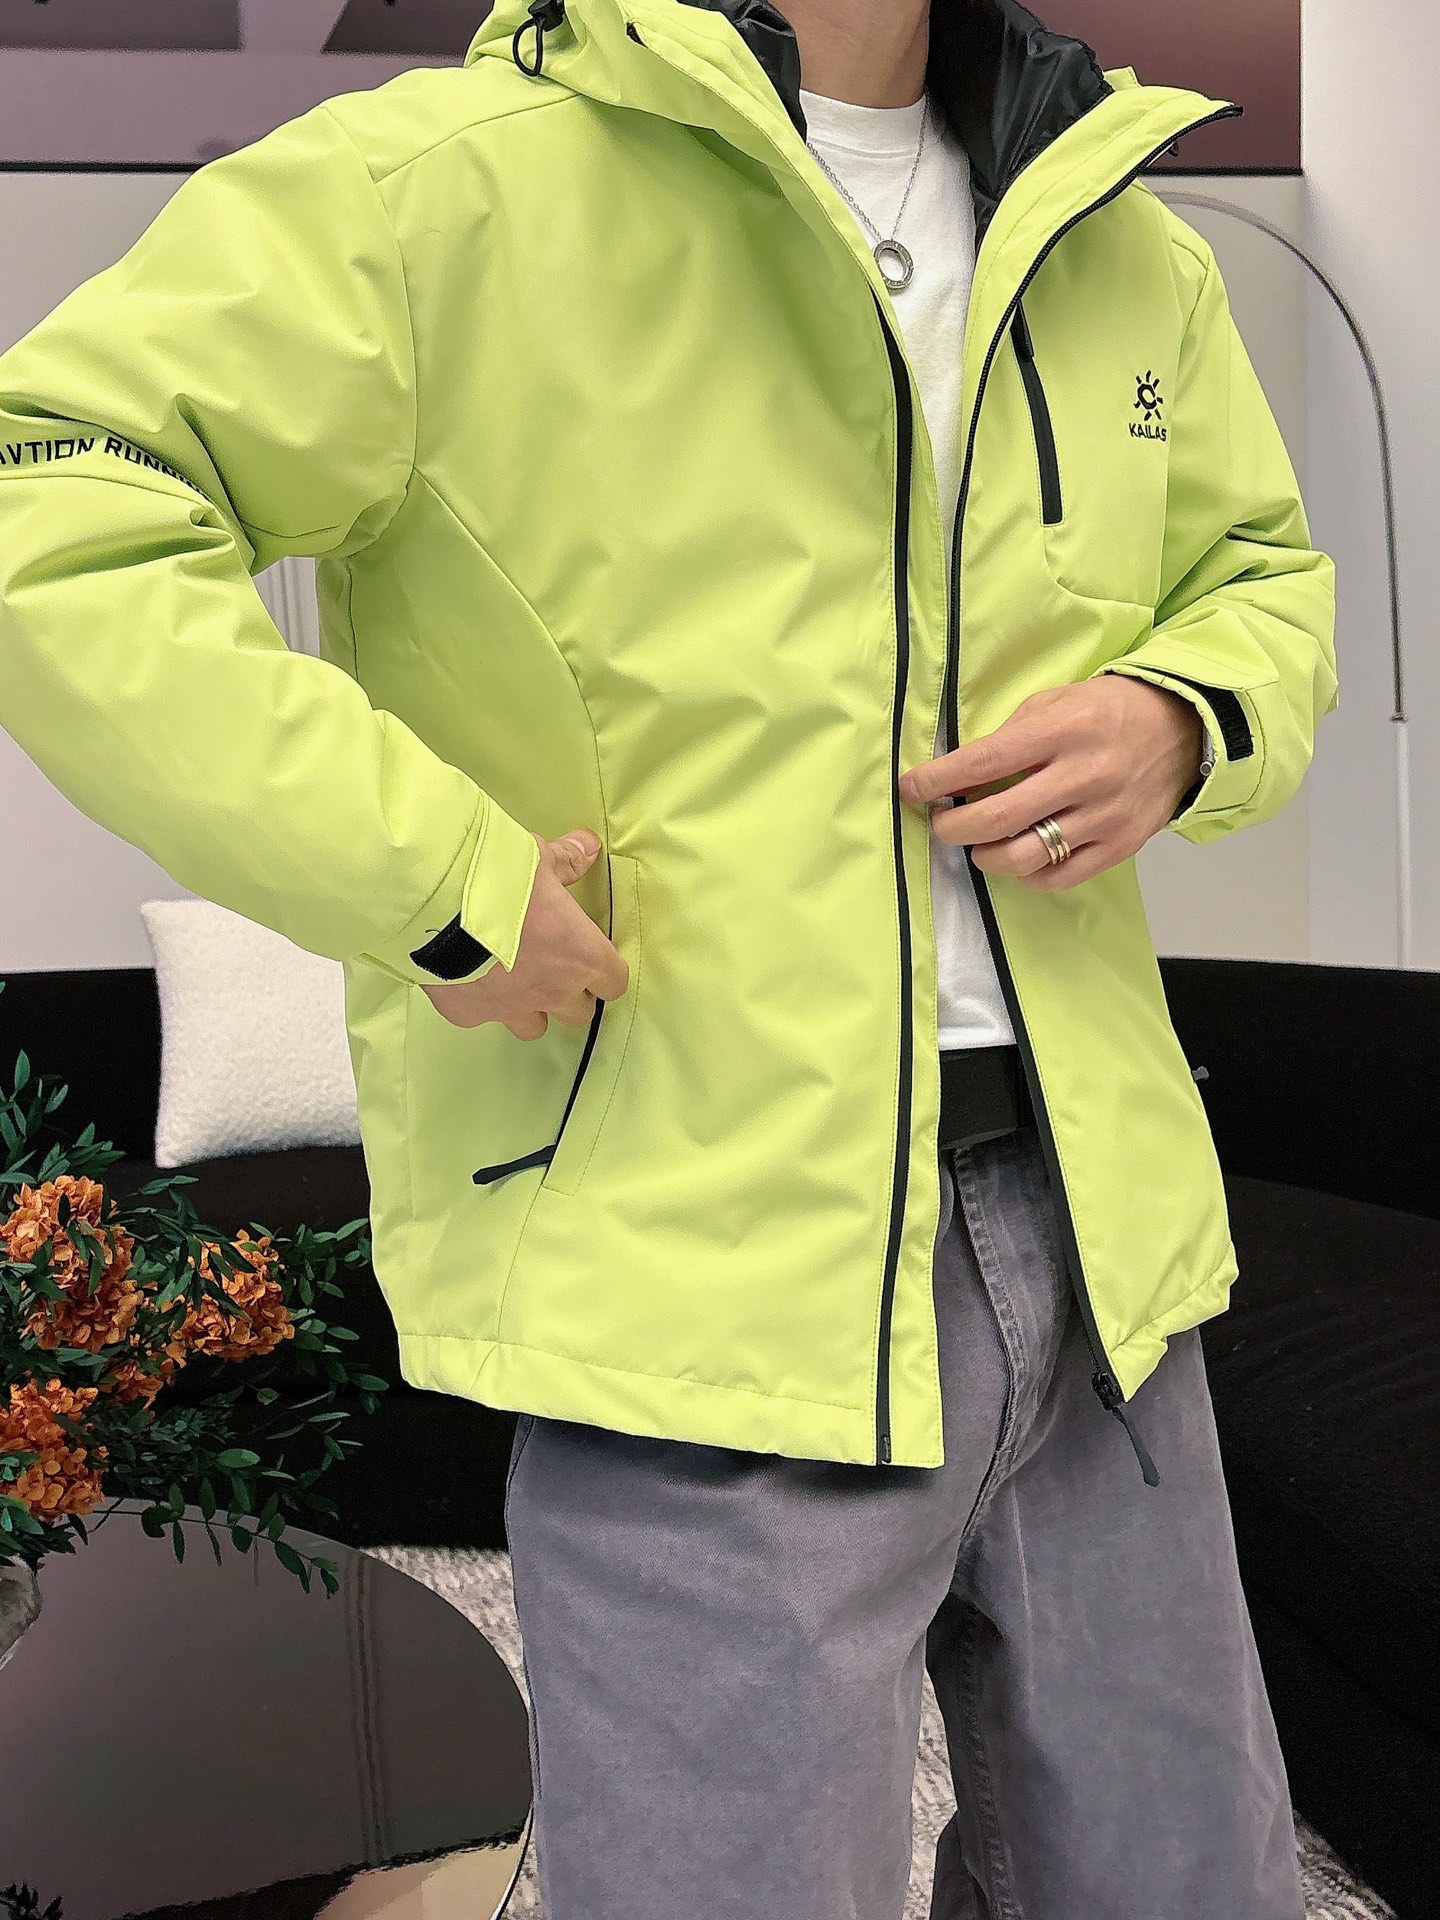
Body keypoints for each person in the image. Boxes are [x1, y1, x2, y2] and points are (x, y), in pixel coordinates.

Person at [0, 0, 1336, 1913]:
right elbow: (50, 493)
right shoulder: (435, 190)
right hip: (698, 1261)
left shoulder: (1114, 227)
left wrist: (1186, 713)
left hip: (1104, 1249)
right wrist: (429, 873)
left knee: (1186, 1884)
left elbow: (1260, 577)